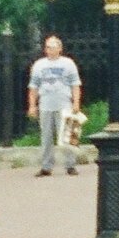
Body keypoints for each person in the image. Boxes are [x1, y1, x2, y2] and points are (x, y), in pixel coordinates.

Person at [27, 34, 84, 177]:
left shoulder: (68, 64)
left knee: (67, 136)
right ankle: (46, 166)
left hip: (64, 105)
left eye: (52, 47)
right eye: (47, 47)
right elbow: (33, 87)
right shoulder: (39, 65)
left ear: (60, 48)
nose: (49, 49)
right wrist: (32, 106)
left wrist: (76, 103)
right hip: (45, 105)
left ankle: (70, 165)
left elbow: (75, 84)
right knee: (46, 137)